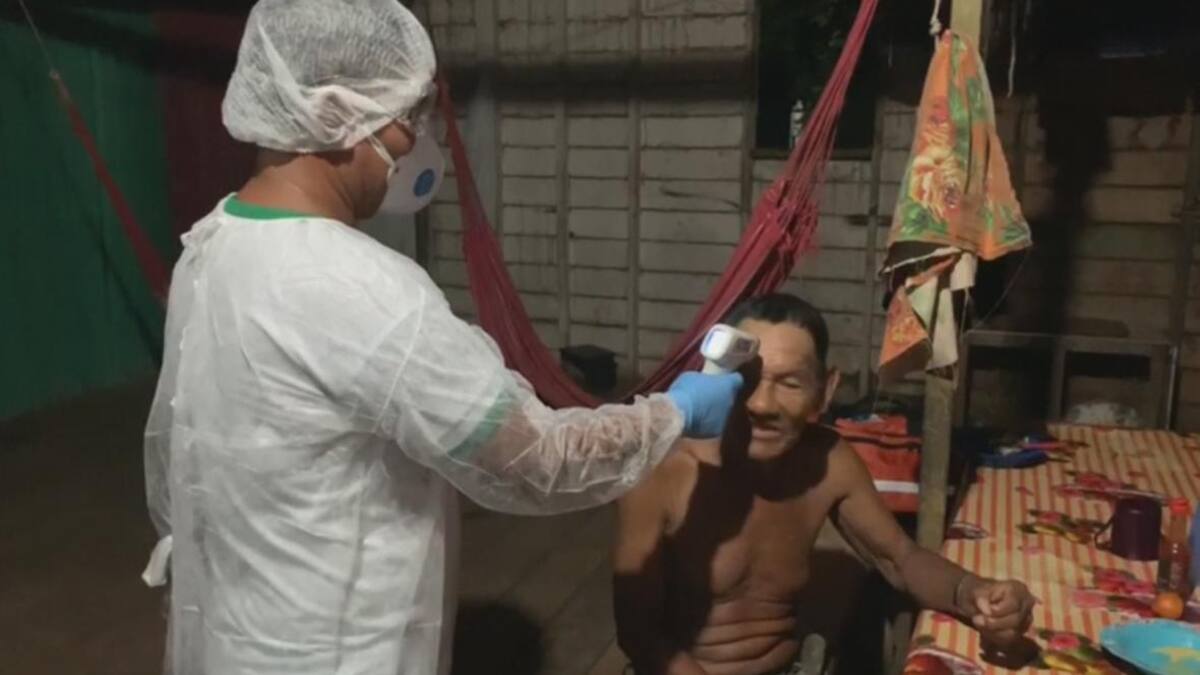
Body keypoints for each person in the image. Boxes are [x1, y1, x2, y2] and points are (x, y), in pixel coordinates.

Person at [140, 2, 743, 674]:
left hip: (232, 636)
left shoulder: (210, 245)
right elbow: (533, 459)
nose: (413, 144)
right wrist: (673, 415)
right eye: (406, 119)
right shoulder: (362, 291)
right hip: (336, 652)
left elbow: (175, 463)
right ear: (336, 114)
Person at [612, 294, 1035, 675]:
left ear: (825, 389)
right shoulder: (664, 475)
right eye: (747, 380)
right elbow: (639, 634)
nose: (762, 404)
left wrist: (974, 593)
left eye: (790, 383)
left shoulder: (828, 461)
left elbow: (898, 558)